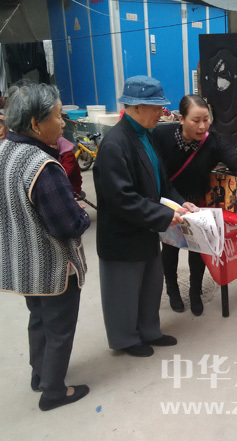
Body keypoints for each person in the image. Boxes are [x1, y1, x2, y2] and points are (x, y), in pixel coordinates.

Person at [153, 94, 237, 316]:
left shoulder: (212, 141)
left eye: (206, 119)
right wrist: (173, 202)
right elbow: (156, 173)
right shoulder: (161, 136)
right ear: (181, 119)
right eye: (195, 120)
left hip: (197, 203)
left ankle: (195, 291)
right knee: (170, 247)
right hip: (171, 200)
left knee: (198, 248)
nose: (202, 126)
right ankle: (172, 289)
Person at [0, 83, 90, 411]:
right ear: (36, 123)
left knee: (38, 320)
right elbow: (67, 225)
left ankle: (39, 374)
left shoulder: (5, 150)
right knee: (59, 329)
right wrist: (82, 215)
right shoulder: (42, 166)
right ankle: (53, 391)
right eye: (58, 116)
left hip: (22, 261)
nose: (63, 122)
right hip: (52, 267)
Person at [93, 76, 196, 357]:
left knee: (151, 284)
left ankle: (150, 330)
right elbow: (121, 198)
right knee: (124, 290)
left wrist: (180, 203)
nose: (161, 112)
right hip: (123, 234)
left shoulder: (146, 135)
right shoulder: (115, 143)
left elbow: (163, 182)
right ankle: (126, 339)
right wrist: (163, 214)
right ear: (136, 107)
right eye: (156, 107)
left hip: (147, 226)